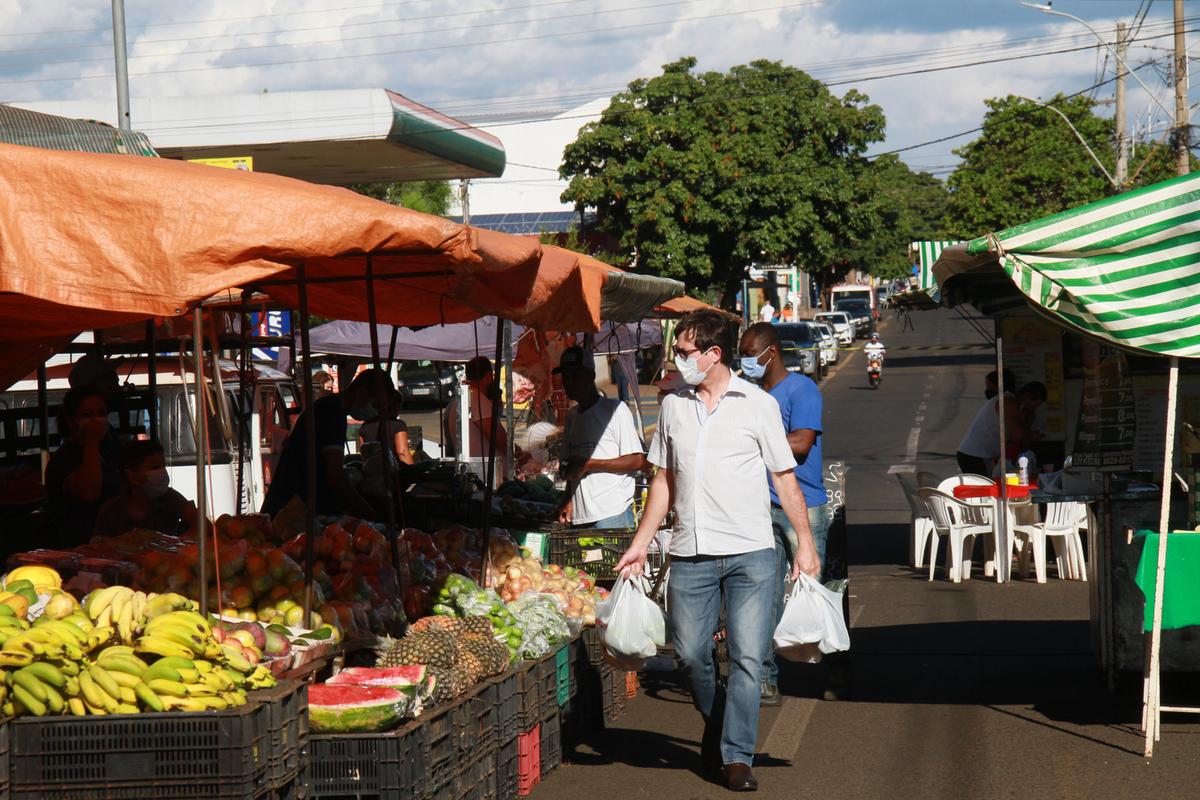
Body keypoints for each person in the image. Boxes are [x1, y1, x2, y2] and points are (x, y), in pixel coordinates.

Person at [614, 310, 820, 793]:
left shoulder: (758, 405)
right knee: (688, 655)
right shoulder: (673, 407)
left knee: (749, 658)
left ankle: (737, 757)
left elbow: (784, 478)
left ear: (713, 355)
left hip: (752, 553)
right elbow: (662, 480)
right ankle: (724, 719)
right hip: (690, 552)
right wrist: (639, 545)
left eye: (684, 353)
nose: (677, 361)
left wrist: (804, 544)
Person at [738, 322, 828, 707]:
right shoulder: (751, 395)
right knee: (765, 597)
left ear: (770, 353)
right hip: (761, 509)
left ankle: (824, 669)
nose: (745, 362)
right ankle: (766, 678)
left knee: (813, 591)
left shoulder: (802, 389)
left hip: (802, 507)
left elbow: (802, 443)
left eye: (749, 354)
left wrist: (752, 441)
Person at [261, 368, 396, 520]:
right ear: (362, 393)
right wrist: (371, 516)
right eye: (376, 405)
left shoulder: (328, 407)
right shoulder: (332, 412)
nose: (376, 412)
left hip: (294, 509)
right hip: (292, 514)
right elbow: (336, 477)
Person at [555, 346, 647, 529]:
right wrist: (568, 498)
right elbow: (571, 468)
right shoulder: (572, 416)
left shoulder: (615, 410)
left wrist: (590, 464)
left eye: (575, 376)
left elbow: (638, 460)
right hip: (581, 516)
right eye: (566, 378)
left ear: (590, 375)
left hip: (612, 513)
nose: (569, 383)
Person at [44, 386, 123, 547]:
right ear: (71, 421)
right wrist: (91, 442)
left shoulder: (111, 448)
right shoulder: (64, 459)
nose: (97, 420)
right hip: (78, 548)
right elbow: (89, 493)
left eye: (101, 413)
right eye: (87, 415)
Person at [94, 440, 198, 538]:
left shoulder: (170, 497)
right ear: (132, 476)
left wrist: (175, 545)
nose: (163, 472)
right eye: (155, 467)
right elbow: (96, 548)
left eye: (163, 466)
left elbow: (203, 526)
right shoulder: (109, 512)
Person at [956, 381, 1048, 477]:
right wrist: (1031, 432)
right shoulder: (1009, 403)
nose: (1034, 409)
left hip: (981, 454)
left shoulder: (1011, 403)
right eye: (1034, 405)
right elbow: (1017, 436)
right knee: (985, 489)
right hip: (975, 455)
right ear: (1027, 397)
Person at [445, 356, 508, 459]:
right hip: (484, 471)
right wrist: (518, 454)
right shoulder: (476, 398)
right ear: (488, 376)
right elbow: (498, 439)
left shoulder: (463, 397)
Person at [358, 398, 413, 466]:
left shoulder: (364, 426)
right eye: (399, 406)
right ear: (393, 407)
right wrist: (412, 471)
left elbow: (363, 452)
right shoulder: (398, 425)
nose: (399, 410)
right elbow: (402, 452)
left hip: (372, 471)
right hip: (392, 471)